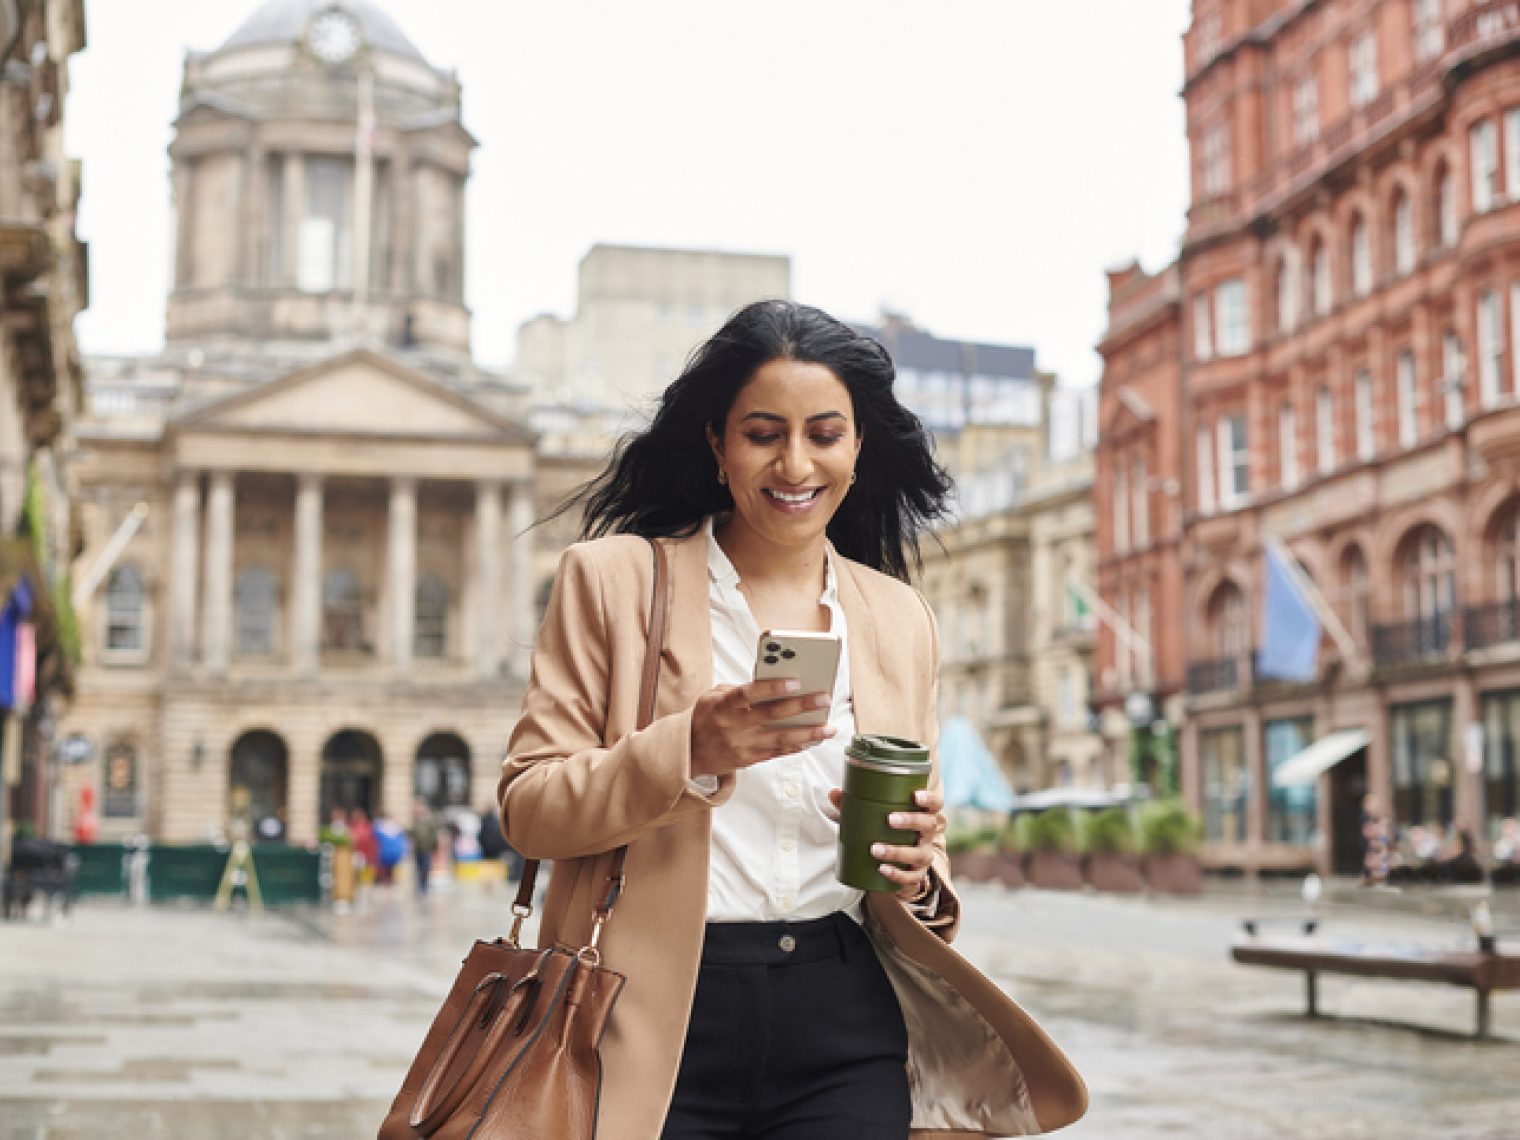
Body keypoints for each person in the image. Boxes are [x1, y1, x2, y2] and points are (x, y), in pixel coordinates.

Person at [500, 301, 1085, 1139]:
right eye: (764, 432)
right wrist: (688, 749)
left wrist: (917, 869)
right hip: (642, 1014)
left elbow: (926, 856)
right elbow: (529, 809)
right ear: (717, 442)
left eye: (825, 433)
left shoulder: (897, 617)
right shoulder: (613, 581)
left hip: (842, 1017)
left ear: (857, 447)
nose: (796, 462)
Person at [409, 798, 440, 896]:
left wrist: (435, 846)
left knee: (425, 868)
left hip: (427, 848)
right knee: (419, 868)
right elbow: (412, 834)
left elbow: (434, 833)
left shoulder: (429, 820)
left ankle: (424, 887)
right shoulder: (415, 821)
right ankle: (420, 887)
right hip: (418, 849)